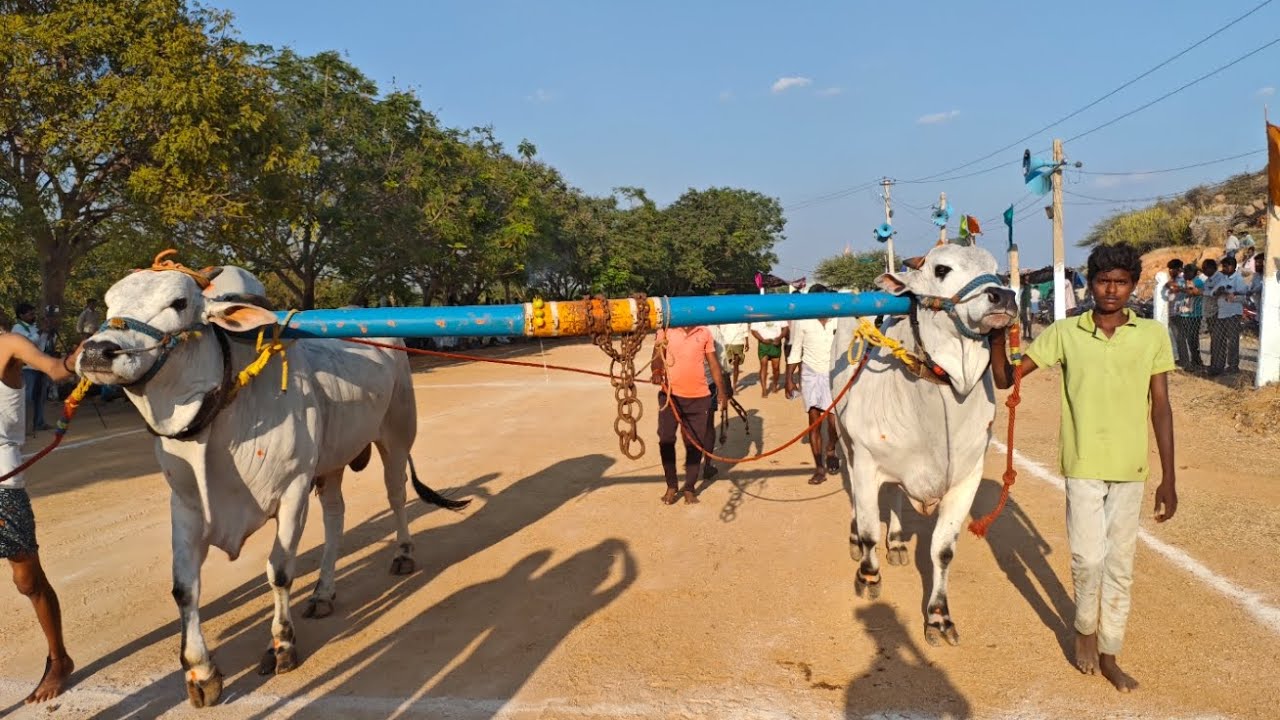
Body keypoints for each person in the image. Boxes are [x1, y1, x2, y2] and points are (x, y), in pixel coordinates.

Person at [989, 242, 1176, 693]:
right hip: (1083, 462)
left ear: (1134, 286)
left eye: (1121, 282)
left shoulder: (1151, 335)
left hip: (1131, 466)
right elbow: (1005, 379)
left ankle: (1111, 652)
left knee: (1121, 565)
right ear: (1089, 283)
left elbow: (1162, 406)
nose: (1111, 290)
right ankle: (1085, 632)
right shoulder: (1065, 332)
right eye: (1103, 280)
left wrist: (1169, 478)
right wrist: (996, 337)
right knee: (1088, 558)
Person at [1, 331, 82, 703]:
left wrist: (73, 359)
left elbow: (53, 370)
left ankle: (59, 659)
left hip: (3, 482)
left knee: (27, 581)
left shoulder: (10, 344)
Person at [651, 325, 729, 505]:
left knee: (694, 443)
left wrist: (722, 392)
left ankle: (690, 488)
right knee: (666, 439)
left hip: (699, 397)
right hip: (670, 396)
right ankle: (671, 485)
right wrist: (656, 371)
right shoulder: (666, 329)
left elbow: (714, 363)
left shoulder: (704, 332)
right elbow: (656, 357)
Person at [784, 291, 840, 485]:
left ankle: (831, 449)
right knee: (814, 421)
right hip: (810, 373)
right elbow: (796, 348)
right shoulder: (804, 321)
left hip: (832, 373)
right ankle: (819, 467)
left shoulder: (838, 319)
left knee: (833, 421)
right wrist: (789, 378)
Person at [10, 304, 50, 432]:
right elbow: (27, 343)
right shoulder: (17, 328)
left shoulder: (34, 327)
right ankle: (24, 426)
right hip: (26, 367)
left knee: (40, 396)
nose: (33, 316)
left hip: (39, 365)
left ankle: (39, 422)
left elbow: (41, 345)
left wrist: (46, 333)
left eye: (34, 313)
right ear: (21, 315)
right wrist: (40, 332)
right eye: (30, 314)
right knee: (28, 397)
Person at [1208, 255, 1247, 375]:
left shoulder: (1238, 279)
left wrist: (1229, 294)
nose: (1223, 268)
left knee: (1233, 341)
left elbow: (1243, 296)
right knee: (1219, 340)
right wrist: (1218, 292)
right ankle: (1219, 365)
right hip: (1222, 313)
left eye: (1225, 266)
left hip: (1233, 313)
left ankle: (1233, 366)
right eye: (1222, 266)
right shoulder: (1223, 279)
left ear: (1232, 266)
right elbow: (1211, 292)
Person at [1168, 264, 1204, 371]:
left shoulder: (1197, 281)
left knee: (1193, 339)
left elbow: (1192, 292)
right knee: (1187, 338)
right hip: (1184, 313)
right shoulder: (1185, 281)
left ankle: (1197, 361)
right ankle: (1191, 361)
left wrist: (1180, 289)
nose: (1185, 274)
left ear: (1193, 273)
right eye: (1185, 272)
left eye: (1187, 272)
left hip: (1194, 314)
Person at [748, 319, 787, 398]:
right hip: (763, 344)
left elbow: (785, 328)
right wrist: (762, 339)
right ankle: (764, 390)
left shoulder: (779, 314)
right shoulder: (758, 316)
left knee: (776, 368)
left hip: (775, 343)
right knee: (763, 366)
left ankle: (775, 385)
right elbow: (753, 330)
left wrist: (779, 338)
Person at [1163, 259, 1184, 366]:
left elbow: (1175, 289)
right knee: (1171, 337)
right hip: (1170, 312)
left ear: (1179, 269)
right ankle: (1176, 357)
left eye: (1173, 269)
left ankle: (1183, 358)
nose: (1170, 271)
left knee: (1179, 337)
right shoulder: (1172, 279)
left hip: (1178, 312)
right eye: (1169, 269)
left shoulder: (1182, 279)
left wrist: (1169, 285)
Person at [717, 322, 749, 389]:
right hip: (727, 341)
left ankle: (734, 386)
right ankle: (727, 385)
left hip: (739, 341)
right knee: (726, 365)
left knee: (736, 364)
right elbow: (721, 327)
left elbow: (745, 327)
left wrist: (747, 341)